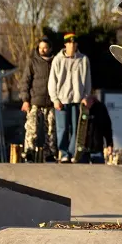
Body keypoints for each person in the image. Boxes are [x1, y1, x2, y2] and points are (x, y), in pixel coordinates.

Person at [48, 32, 92, 162]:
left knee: (76, 129)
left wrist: (86, 96)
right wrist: (55, 99)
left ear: (77, 44)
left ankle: (72, 153)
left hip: (78, 99)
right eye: (69, 43)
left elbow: (87, 80)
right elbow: (52, 81)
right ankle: (64, 153)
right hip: (62, 99)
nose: (72, 45)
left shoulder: (83, 59)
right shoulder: (57, 59)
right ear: (65, 44)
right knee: (62, 128)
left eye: (74, 43)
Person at [19, 36, 57, 162]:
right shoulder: (33, 62)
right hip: (35, 100)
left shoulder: (55, 62)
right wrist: (25, 99)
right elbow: (25, 81)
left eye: (45, 48)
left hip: (50, 101)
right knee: (32, 127)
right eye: (40, 48)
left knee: (51, 128)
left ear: (50, 48)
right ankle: (29, 151)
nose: (42, 50)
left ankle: (49, 153)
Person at [73, 95, 114, 164]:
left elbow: (107, 127)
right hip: (81, 149)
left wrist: (109, 143)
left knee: (99, 170)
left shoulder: (100, 107)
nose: (87, 105)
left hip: (96, 147)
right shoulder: (78, 108)